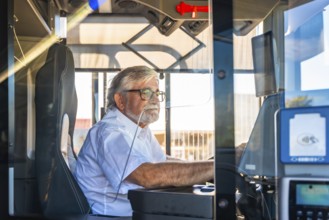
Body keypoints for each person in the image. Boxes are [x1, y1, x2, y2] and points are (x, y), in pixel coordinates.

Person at [74, 66, 214, 217]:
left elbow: (161, 161)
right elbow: (147, 175)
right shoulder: (110, 133)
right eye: (146, 93)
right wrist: (215, 167)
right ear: (120, 100)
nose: (155, 100)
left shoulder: (139, 129)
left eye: (157, 93)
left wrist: (206, 168)